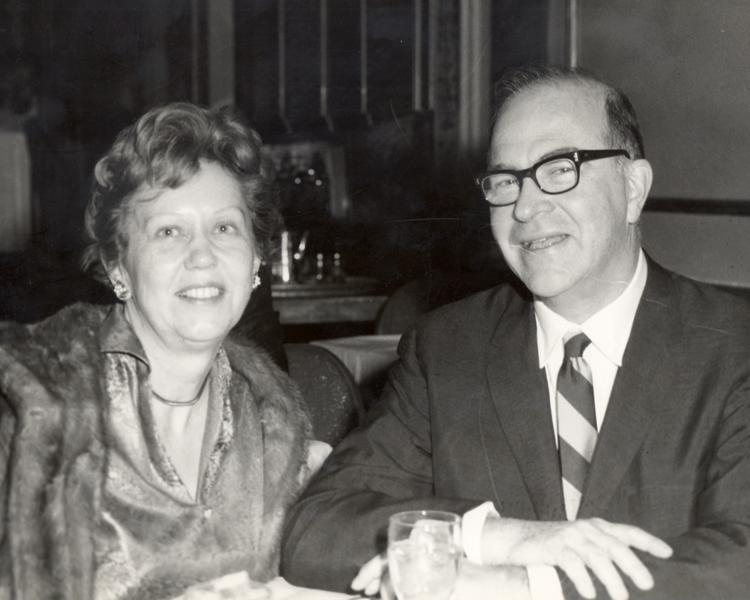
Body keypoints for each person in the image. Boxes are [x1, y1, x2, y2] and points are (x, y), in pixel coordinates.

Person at [280, 65, 750, 600]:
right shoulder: (449, 348)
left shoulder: (733, 345)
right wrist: (494, 538)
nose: (524, 207)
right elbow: (315, 532)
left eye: (559, 169)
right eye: (506, 181)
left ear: (633, 188)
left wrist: (519, 584)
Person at [0, 102, 319, 599]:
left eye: (225, 228)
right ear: (118, 266)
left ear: (257, 258)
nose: (203, 256)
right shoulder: (34, 401)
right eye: (169, 232)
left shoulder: (274, 419)